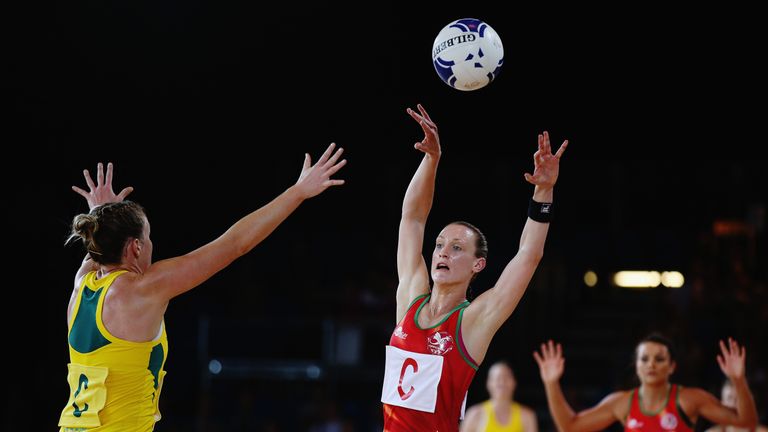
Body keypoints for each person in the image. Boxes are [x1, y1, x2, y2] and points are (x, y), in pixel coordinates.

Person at [59, 145, 346, 432]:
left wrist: (101, 213)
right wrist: (297, 192)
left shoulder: (82, 284)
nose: (150, 245)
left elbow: (95, 251)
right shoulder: (142, 288)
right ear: (135, 247)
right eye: (148, 238)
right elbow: (234, 244)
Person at [380, 103, 568, 432]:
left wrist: (544, 191)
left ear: (477, 264)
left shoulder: (474, 320)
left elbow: (528, 255)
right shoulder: (411, 295)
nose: (442, 253)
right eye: (439, 245)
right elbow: (412, 219)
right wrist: (431, 160)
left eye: (456, 249)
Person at [533, 334, 759, 432]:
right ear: (636, 365)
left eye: (659, 359)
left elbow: (746, 422)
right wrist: (551, 384)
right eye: (644, 359)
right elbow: (569, 426)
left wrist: (738, 380)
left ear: (672, 367)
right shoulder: (622, 403)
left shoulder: (689, 399)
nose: (651, 364)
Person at [461, 361, 539, 432]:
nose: (502, 382)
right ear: (488, 384)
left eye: (506, 377)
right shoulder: (474, 415)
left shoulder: (527, 417)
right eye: (497, 378)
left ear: (514, 383)